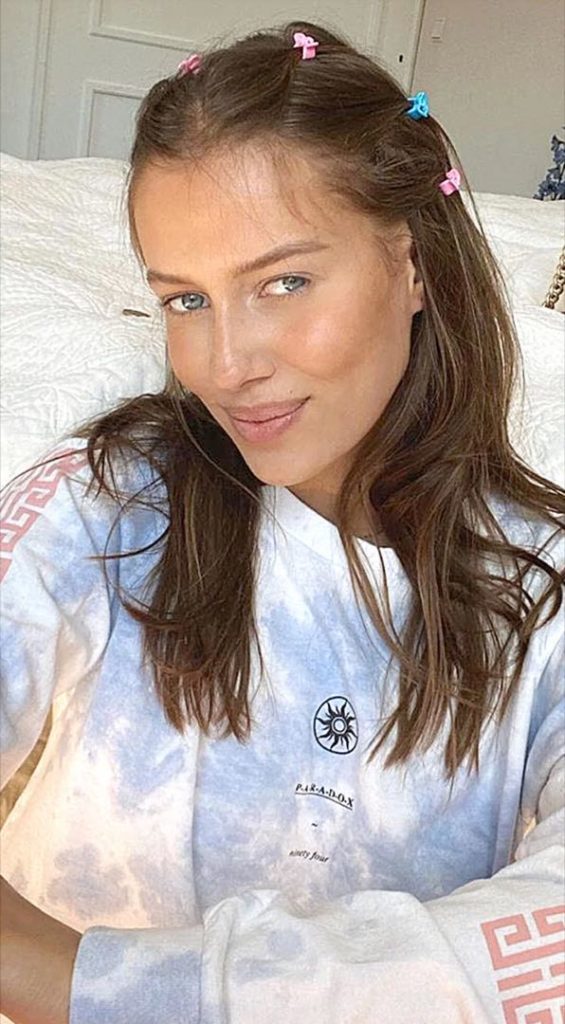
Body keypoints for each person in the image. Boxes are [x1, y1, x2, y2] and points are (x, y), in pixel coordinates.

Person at [0, 20, 564, 1024]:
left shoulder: (539, 585)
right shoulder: (103, 499)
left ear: (413, 264)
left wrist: (78, 980)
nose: (226, 366)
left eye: (283, 283)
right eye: (186, 299)